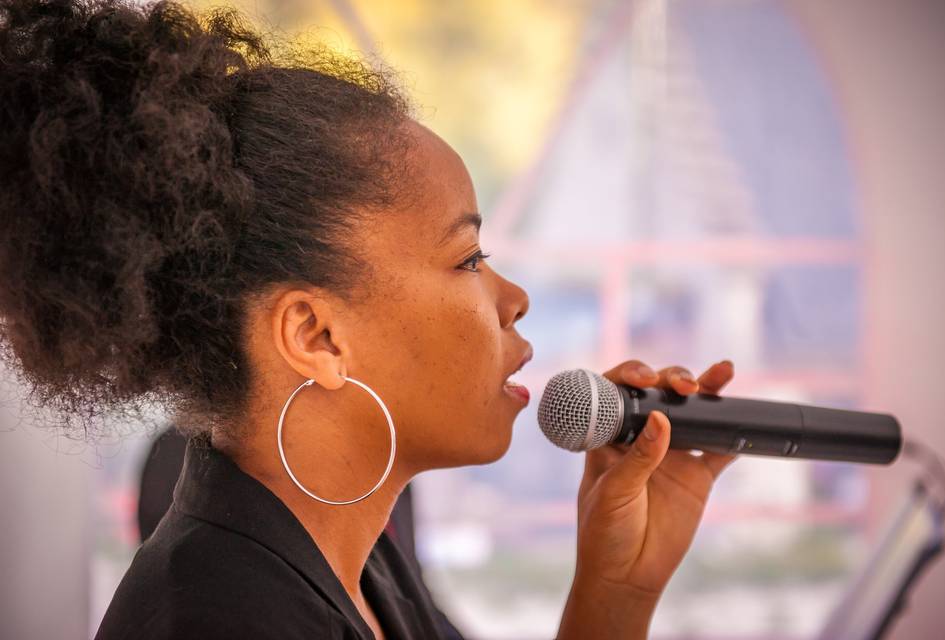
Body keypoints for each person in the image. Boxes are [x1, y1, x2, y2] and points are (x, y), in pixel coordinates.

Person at [0, 0, 738, 638]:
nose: (513, 300)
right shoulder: (218, 621)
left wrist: (615, 589)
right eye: (468, 260)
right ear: (317, 337)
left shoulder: (359, 552)